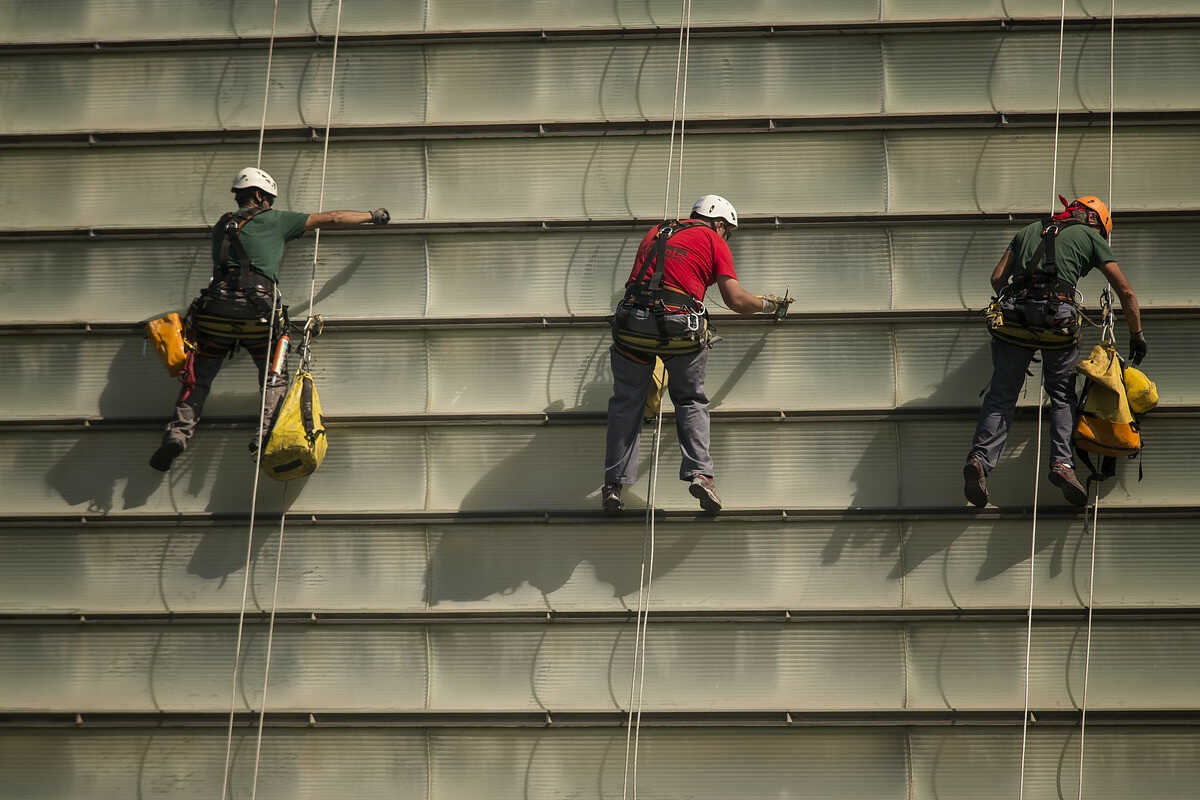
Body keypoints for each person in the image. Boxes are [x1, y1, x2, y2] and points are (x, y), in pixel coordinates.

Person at [149, 167, 389, 472]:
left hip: (215, 313)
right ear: (261, 196)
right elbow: (333, 217)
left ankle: (177, 435)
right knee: (273, 376)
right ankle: (264, 437)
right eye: (270, 200)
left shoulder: (222, 225)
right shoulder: (276, 220)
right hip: (257, 314)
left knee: (198, 378)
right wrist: (373, 215)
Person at [602, 194, 790, 514]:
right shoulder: (713, 240)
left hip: (632, 325)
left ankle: (613, 485)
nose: (725, 237)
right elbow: (736, 301)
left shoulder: (656, 232)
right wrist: (769, 305)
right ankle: (701, 475)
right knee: (689, 399)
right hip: (678, 328)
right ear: (718, 223)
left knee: (626, 403)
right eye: (726, 231)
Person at [964, 195, 1145, 507]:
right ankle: (1062, 464)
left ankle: (980, 461)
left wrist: (1023, 309)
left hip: (1014, 320)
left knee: (1001, 396)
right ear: (1093, 220)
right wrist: (1137, 334)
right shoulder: (1089, 235)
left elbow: (997, 278)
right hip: (1056, 322)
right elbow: (1126, 291)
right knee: (1062, 395)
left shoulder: (1028, 230)